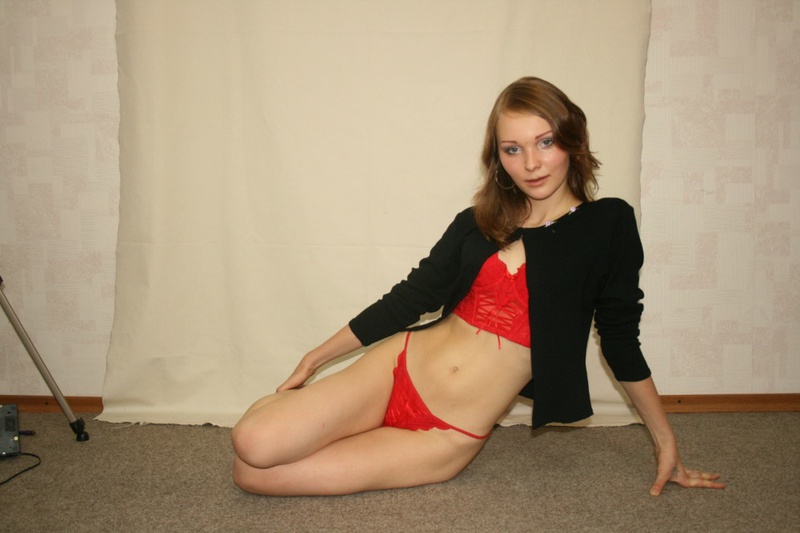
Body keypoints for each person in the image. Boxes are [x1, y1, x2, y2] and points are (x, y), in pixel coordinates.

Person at [231, 77, 726, 497]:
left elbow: (619, 337)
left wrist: (665, 442)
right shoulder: (479, 219)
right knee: (253, 442)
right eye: (513, 149)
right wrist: (315, 358)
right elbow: (412, 296)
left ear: (573, 141)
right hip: (398, 367)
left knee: (250, 475)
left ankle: (326, 424)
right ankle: (318, 415)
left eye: (545, 142)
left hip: (447, 431)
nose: (531, 163)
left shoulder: (608, 224)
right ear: (498, 157)